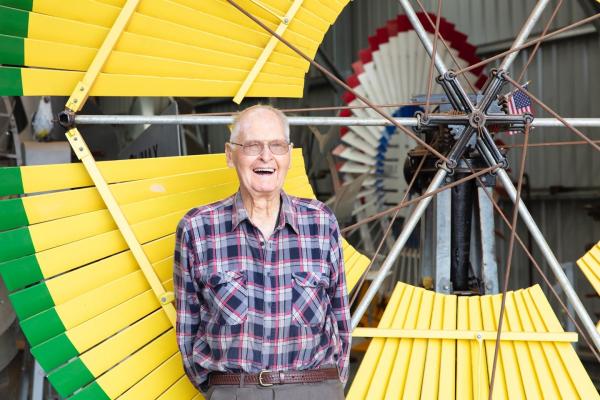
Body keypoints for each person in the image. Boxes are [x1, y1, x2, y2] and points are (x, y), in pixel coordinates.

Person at [174, 105, 350, 400]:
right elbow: (187, 331)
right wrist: (225, 391)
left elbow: (340, 319)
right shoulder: (197, 228)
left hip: (314, 389)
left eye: (276, 146)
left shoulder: (320, 221)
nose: (266, 156)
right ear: (231, 155)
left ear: (289, 156)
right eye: (253, 145)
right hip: (235, 392)